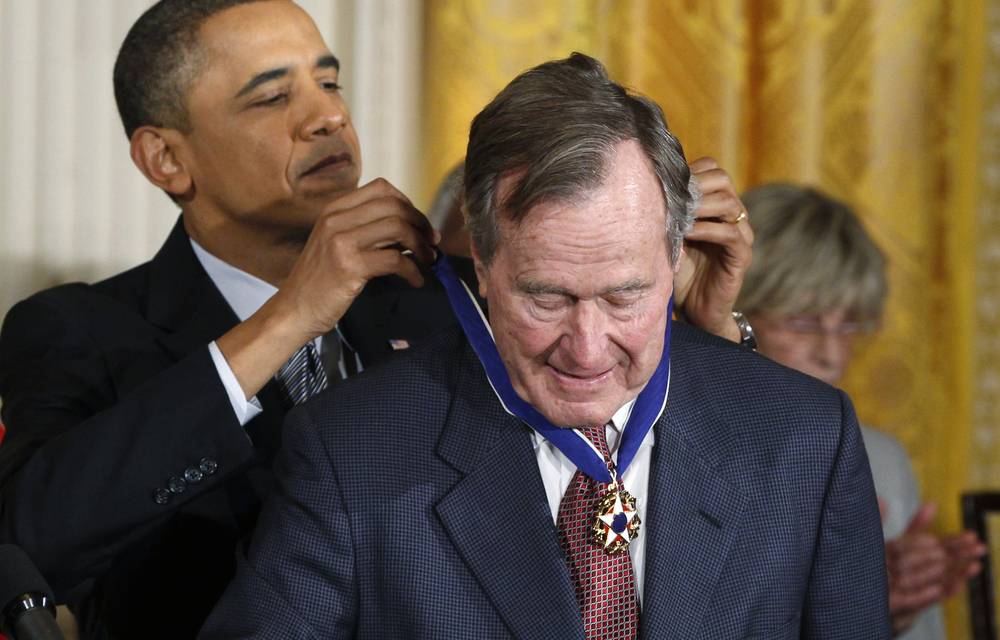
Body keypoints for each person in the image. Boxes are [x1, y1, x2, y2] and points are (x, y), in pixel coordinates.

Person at [0, 2, 750, 638]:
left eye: (329, 82)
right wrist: (290, 317)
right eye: (271, 98)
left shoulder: (453, 297)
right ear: (166, 158)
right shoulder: (79, 328)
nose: (327, 116)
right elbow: (32, 542)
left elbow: (646, 492)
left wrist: (710, 336)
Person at [201, 53, 890, 639]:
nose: (587, 351)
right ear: (482, 264)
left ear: (677, 254)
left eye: (624, 296)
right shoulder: (352, 451)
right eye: (547, 298)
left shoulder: (806, 438)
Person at [737, 183, 987, 639]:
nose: (833, 353)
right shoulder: (670, 449)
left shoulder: (881, 462)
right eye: (804, 321)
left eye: (849, 323)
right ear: (733, 311)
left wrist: (888, 615)